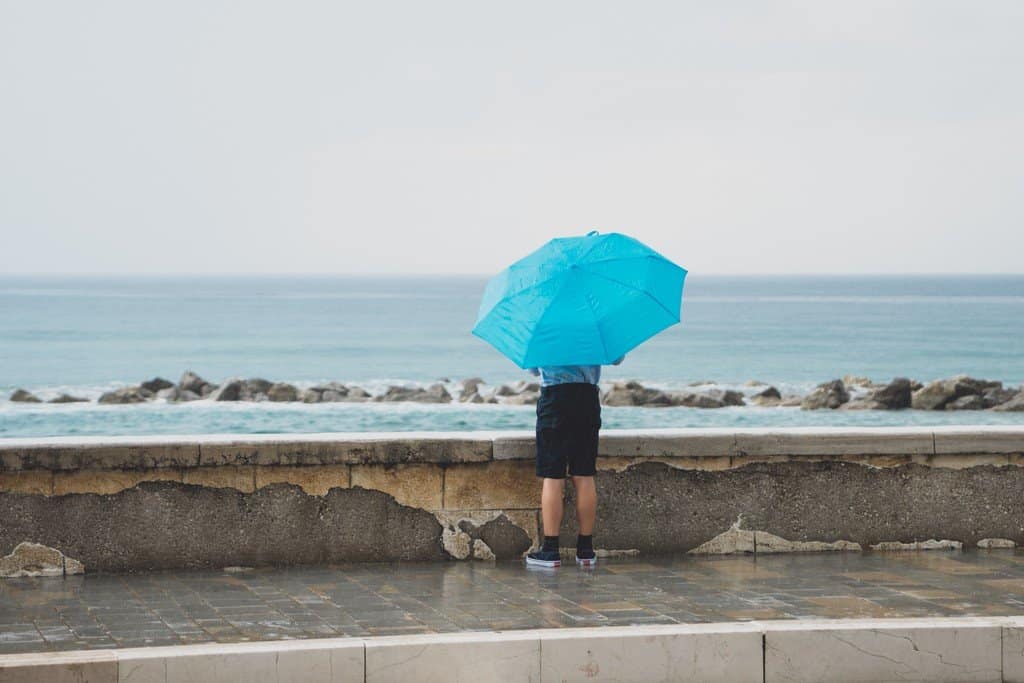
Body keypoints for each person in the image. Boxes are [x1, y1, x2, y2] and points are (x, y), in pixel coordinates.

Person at [524, 356, 623, 568]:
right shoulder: (591, 324)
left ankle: (550, 550)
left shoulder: (545, 327)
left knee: (552, 476)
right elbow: (616, 358)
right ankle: (586, 550)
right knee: (584, 474)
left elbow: (533, 369)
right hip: (587, 398)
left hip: (554, 398)